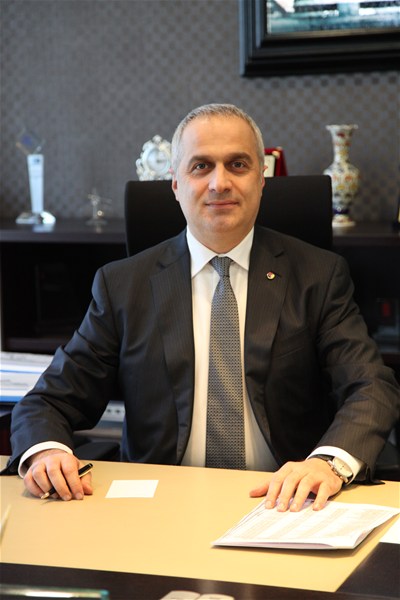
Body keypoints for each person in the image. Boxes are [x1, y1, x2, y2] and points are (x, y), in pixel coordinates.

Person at [5, 104, 400, 510]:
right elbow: (49, 401)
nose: (219, 183)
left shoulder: (318, 275)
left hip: (284, 503)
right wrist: (46, 451)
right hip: (158, 506)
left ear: (262, 179)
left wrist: (327, 463)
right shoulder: (123, 285)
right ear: (176, 183)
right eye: (201, 166)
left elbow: (371, 387)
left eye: (238, 165)